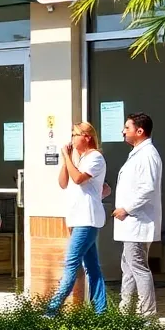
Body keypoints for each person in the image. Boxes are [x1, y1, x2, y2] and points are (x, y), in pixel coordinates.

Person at [47, 122, 110, 315]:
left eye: (75, 135)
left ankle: (52, 310)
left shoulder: (95, 157)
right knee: (92, 266)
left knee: (71, 263)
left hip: (87, 219)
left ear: (87, 137)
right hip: (77, 219)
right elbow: (63, 182)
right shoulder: (80, 159)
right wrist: (67, 159)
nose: (72, 139)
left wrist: (67, 156)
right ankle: (101, 311)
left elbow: (78, 179)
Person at [112, 112, 163, 317]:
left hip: (138, 222)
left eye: (127, 127)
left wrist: (127, 209)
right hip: (131, 225)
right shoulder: (138, 153)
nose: (123, 131)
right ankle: (126, 311)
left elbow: (147, 189)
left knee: (138, 268)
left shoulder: (149, 154)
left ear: (139, 131)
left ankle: (147, 316)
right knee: (128, 268)